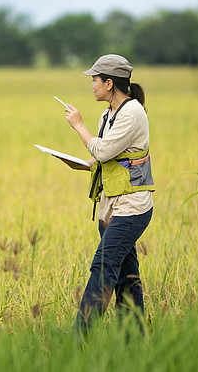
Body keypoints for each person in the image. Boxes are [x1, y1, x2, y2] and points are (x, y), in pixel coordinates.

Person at [62, 54, 154, 335]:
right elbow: (109, 155)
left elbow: (101, 149)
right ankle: (134, 337)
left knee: (103, 265)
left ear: (109, 83)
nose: (91, 85)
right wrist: (82, 164)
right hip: (111, 205)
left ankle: (81, 334)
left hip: (132, 207)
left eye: (95, 79)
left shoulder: (132, 113)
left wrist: (78, 125)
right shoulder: (108, 114)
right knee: (126, 277)